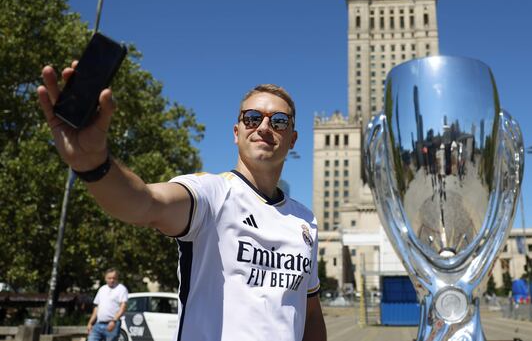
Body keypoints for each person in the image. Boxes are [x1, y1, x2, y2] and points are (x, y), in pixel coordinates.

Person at [38, 64, 327, 341]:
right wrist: (94, 164)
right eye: (252, 118)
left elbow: (311, 315)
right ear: (236, 132)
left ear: (292, 139)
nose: (264, 126)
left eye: (279, 121)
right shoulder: (211, 193)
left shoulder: (305, 221)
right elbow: (144, 203)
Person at [86, 269, 128, 341]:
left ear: (117, 278)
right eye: (109, 278)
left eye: (114, 278)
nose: (112, 280)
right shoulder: (102, 289)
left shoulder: (121, 289)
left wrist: (114, 321)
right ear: (105, 278)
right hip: (98, 324)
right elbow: (96, 307)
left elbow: (123, 307)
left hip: (112, 324)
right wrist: (90, 323)